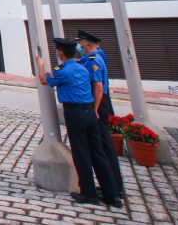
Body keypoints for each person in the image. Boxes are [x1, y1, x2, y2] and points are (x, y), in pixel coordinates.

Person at [36, 38, 121, 207]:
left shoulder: (63, 70)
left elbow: (45, 80)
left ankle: (89, 192)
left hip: (75, 113)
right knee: (98, 153)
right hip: (90, 112)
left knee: (81, 152)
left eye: (57, 50)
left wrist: (40, 64)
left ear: (61, 53)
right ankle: (112, 194)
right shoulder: (82, 67)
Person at [77, 29, 124, 197]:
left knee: (103, 145)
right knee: (101, 145)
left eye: (80, 42)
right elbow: (82, 61)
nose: (79, 45)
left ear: (87, 44)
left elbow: (98, 86)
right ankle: (111, 184)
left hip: (98, 103)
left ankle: (113, 187)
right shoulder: (96, 55)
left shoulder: (95, 59)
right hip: (100, 102)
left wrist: (94, 110)